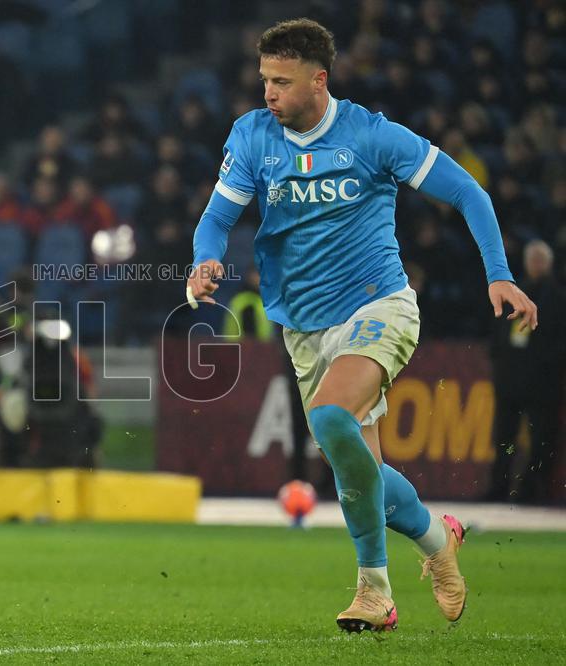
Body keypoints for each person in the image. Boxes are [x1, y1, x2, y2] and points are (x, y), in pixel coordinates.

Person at [187, 18, 538, 633]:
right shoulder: (251, 137)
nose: (267, 93)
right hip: (303, 328)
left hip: (379, 308)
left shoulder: (372, 138)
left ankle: (374, 594)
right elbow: (216, 217)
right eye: (264, 79)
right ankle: (437, 537)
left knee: (330, 419)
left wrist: (499, 274)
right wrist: (205, 259)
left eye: (281, 82)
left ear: (318, 81)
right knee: (359, 472)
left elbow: (469, 194)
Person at [488, 240, 565, 503]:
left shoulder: (557, 298)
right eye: (532, 259)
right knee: (503, 437)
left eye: (540, 260)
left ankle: (534, 492)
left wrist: (542, 363)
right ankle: (498, 488)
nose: (536, 265)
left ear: (549, 264)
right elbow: (498, 333)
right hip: (511, 379)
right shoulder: (514, 293)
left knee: (541, 439)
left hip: (542, 383)